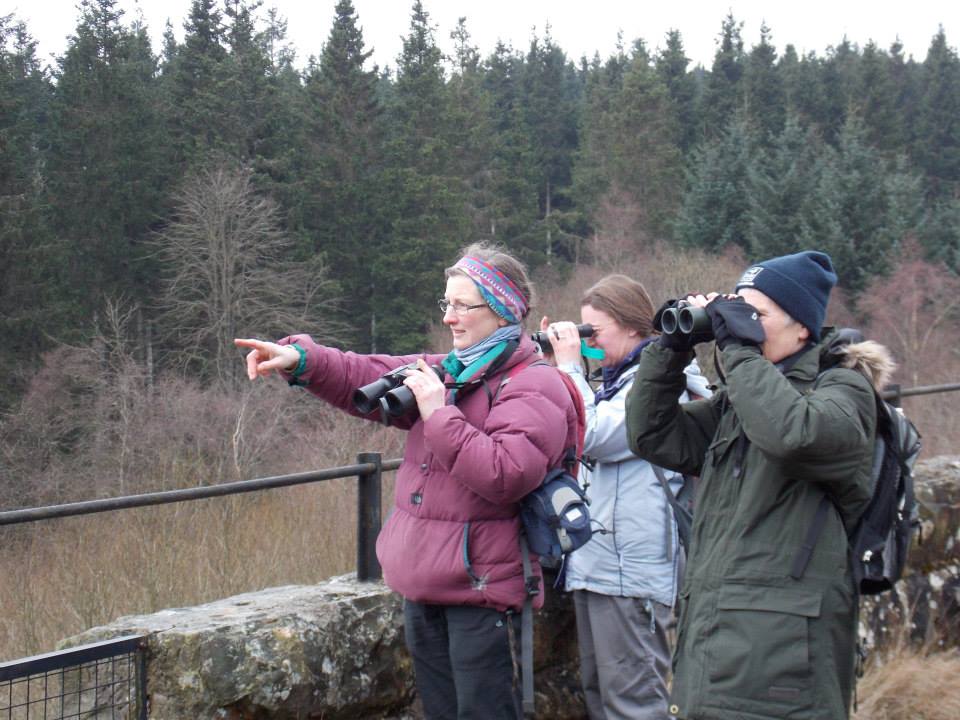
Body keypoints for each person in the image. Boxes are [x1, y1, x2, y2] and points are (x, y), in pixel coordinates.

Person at [235, 243, 578, 720]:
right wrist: (301, 360)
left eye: (463, 305)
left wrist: (438, 413)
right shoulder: (456, 371)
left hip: (480, 589)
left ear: (502, 312)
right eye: (447, 303)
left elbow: (506, 475)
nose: (450, 318)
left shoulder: (533, 384)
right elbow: (367, 372)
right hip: (425, 583)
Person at [624, 250, 879, 720]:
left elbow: (793, 435)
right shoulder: (738, 401)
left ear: (802, 327)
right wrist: (672, 348)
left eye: (756, 315)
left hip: (783, 660)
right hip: (717, 640)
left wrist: (739, 350)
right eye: (736, 311)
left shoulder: (845, 390)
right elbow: (651, 435)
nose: (740, 324)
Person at [540, 274, 710, 720]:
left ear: (634, 327)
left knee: (633, 704)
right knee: (600, 697)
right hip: (599, 564)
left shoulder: (655, 385)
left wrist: (571, 367)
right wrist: (551, 365)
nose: (589, 341)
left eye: (596, 331)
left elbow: (592, 433)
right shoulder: (616, 380)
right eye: (584, 331)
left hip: (632, 571)